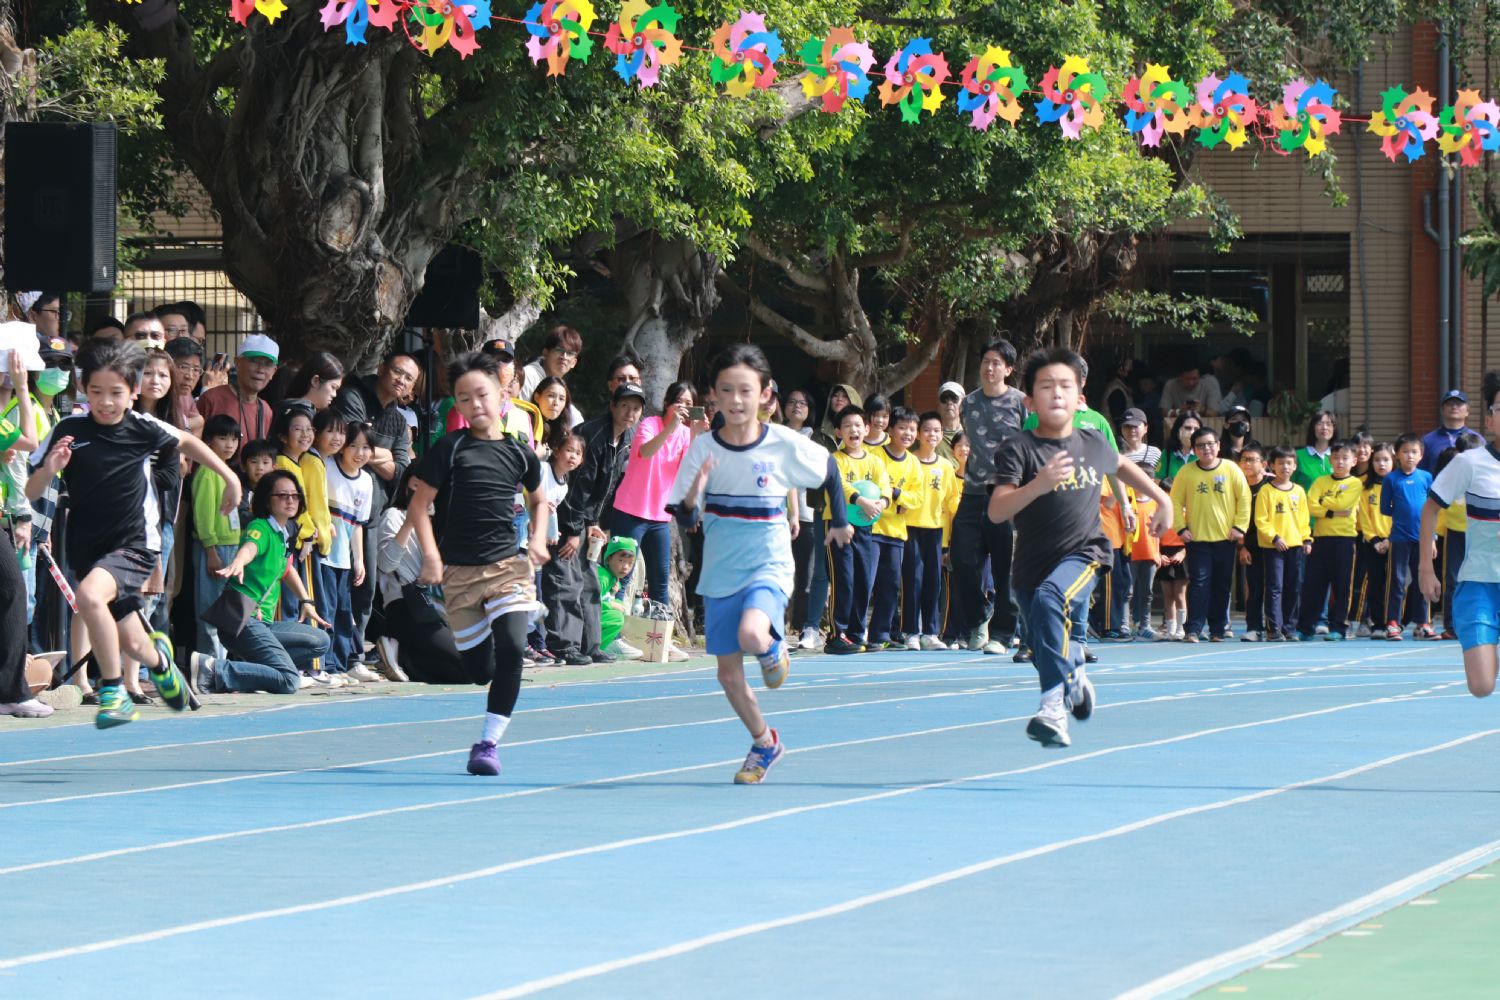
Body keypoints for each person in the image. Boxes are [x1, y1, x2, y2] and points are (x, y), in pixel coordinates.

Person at [25, 340, 239, 727]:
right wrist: (50, 468)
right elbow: (31, 491)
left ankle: (114, 693)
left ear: (133, 392)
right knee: (134, 641)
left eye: (116, 393)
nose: (105, 402)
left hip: (135, 544)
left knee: (90, 597)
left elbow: (188, 441)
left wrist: (230, 478)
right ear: (83, 389)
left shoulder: (143, 427)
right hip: (88, 548)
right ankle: (161, 664)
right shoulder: (69, 429)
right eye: (96, 392)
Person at [667, 343, 853, 783]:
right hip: (720, 572)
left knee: (752, 632)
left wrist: (840, 521)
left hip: (768, 564)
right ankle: (764, 742)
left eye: (745, 390)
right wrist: (692, 497)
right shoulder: (702, 450)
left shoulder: (782, 444)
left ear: (765, 395)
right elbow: (686, 518)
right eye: (726, 390)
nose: (735, 400)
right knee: (728, 676)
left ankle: (772, 648)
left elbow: (829, 469)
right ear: (713, 395)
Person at [989, 346, 1171, 748]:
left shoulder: (1092, 441)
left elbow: (1121, 466)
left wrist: (1162, 499)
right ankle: (1073, 672)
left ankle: (1052, 710)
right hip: (1030, 563)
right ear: (1029, 401)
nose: (1056, 393)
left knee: (1052, 598)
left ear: (1080, 397)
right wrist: (1039, 485)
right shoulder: (1017, 448)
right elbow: (997, 510)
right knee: (1043, 643)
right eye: (1046, 386)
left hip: (1084, 553)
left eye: (1065, 386)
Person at [408, 351, 551, 777]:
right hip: (459, 576)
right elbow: (419, 507)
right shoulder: (450, 449)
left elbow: (539, 500)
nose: (475, 404)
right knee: (478, 671)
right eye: (464, 398)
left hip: (508, 567)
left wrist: (537, 538)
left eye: (482, 394)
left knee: (512, 650)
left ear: (503, 394)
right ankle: (490, 627)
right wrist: (431, 556)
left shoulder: (520, 452)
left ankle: (488, 744)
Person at [192, 471, 333, 695]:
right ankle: (213, 669)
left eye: (295, 495)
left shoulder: (285, 532)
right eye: (282, 495)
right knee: (289, 681)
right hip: (243, 620)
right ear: (267, 500)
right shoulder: (261, 527)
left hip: (263, 623)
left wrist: (306, 601)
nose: (290, 500)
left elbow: (286, 569)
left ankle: (257, 671)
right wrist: (238, 561)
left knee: (320, 641)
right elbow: (250, 547)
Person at [333, 350, 418, 666]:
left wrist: (369, 452)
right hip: (338, 508)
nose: (401, 380)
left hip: (372, 513)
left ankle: (354, 654)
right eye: (398, 372)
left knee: (365, 587)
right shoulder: (353, 395)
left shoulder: (398, 419)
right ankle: (331, 655)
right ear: (382, 368)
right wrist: (383, 454)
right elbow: (348, 445)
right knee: (336, 584)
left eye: (409, 378)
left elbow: (401, 469)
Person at [550, 381, 645, 663]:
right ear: (612, 406)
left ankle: (590, 645)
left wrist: (593, 523)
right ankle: (564, 646)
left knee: (590, 583)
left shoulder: (626, 437)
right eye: (624, 405)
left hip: (586, 520)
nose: (630, 412)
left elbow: (605, 487)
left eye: (636, 408)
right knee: (566, 581)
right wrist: (572, 531)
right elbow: (577, 487)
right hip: (565, 517)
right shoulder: (593, 434)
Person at [1420, 371, 1500, 696]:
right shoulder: (1469, 463)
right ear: (1489, 419)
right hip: (1479, 583)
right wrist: (1426, 568)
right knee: (1481, 685)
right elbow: (1430, 509)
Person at [950, 339, 1026, 654]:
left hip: (1008, 494)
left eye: (996, 363)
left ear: (1008, 369)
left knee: (1006, 567)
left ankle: (1003, 634)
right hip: (972, 493)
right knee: (961, 560)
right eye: (986, 362)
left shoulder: (1022, 402)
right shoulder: (967, 403)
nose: (989, 368)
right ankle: (980, 617)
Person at [610, 380, 707, 605]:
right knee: (621, 577)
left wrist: (694, 434)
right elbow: (646, 452)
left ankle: (658, 627)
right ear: (666, 403)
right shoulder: (650, 424)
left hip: (659, 518)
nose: (683, 407)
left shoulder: (686, 434)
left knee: (660, 582)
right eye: (678, 401)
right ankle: (610, 625)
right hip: (629, 512)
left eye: (688, 403)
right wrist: (671, 426)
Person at [1171, 426, 1251, 643]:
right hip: (1197, 539)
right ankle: (1193, 629)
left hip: (1226, 538)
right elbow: (1175, 501)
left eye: (1210, 444)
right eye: (1200, 445)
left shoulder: (1231, 469)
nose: (1206, 448)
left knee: (1221, 585)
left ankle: (1217, 629)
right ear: (1194, 449)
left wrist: (1240, 527)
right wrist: (1180, 528)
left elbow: (1244, 498)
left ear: (1218, 446)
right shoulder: (1186, 472)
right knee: (1199, 583)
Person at [825, 405, 889, 655]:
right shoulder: (834, 459)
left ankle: (855, 633)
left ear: (867, 429)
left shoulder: (875, 461)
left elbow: (884, 487)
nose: (853, 430)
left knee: (863, 579)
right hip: (839, 524)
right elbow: (839, 485)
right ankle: (836, 634)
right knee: (844, 579)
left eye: (858, 425)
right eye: (847, 425)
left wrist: (881, 503)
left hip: (865, 526)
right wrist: (860, 500)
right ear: (838, 432)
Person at [1296, 439, 1363, 641]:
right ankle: (1305, 628)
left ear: (1354, 461)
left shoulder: (1355, 483)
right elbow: (1310, 505)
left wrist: (1323, 502)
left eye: (1345, 458)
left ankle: (1339, 627)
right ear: (1330, 460)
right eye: (1336, 457)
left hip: (1344, 540)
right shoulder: (1320, 482)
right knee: (1313, 585)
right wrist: (1331, 511)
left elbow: (1344, 504)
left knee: (1342, 585)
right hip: (1321, 539)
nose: (1340, 462)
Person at [782, 388, 832, 649]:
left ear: (810, 409)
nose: (796, 406)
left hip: (808, 513)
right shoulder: (774, 434)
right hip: (777, 515)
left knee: (806, 575)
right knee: (778, 573)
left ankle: (802, 627)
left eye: (802, 403)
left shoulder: (816, 439)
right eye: (791, 402)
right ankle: (776, 625)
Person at [324, 422, 375, 678]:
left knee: (344, 610)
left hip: (343, 558)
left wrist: (359, 560)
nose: (359, 453)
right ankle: (327, 664)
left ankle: (344, 662)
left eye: (366, 447)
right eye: (353, 445)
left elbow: (357, 525)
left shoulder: (366, 481)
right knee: (326, 610)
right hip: (322, 555)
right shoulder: (327, 466)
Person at [904, 411, 959, 650]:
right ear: (918, 434)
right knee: (913, 580)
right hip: (910, 527)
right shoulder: (909, 460)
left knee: (933, 582)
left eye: (936, 431)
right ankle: (910, 632)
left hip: (936, 530)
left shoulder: (946, 466)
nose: (932, 435)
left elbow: (952, 501)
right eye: (926, 430)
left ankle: (930, 632)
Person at [869, 407, 921, 649]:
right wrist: (896, 499)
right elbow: (870, 487)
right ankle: (853, 633)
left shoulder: (913, 462)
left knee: (890, 586)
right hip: (871, 529)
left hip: (896, 533)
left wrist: (897, 494)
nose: (907, 433)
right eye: (902, 428)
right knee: (866, 583)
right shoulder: (874, 456)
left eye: (912, 429)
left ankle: (880, 634)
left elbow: (917, 499)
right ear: (890, 430)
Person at [193, 414, 244, 661]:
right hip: (214, 548)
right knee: (210, 609)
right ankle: (208, 664)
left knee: (223, 612)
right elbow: (202, 514)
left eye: (234, 439)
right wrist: (210, 549)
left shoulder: (227, 472)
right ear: (208, 441)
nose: (229, 444)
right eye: (223, 438)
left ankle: (221, 664)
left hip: (231, 546)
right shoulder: (207, 472)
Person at [1381, 433, 1435, 640]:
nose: (1409, 456)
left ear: (1421, 455)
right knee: (1397, 581)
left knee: (1423, 580)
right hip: (1399, 539)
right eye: (1405, 451)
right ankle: (1393, 623)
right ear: (1397, 454)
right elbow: (1385, 508)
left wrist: (1433, 538)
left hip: (1423, 539)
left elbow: (1432, 510)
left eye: (1414, 452)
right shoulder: (1391, 479)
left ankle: (1423, 623)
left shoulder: (1426, 477)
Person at [1255, 446, 1310, 642]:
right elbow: (1261, 519)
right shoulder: (1266, 491)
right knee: (1275, 587)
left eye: (1289, 463)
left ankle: (1289, 628)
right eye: (1280, 463)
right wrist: (1275, 537)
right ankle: (1274, 628)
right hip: (1274, 547)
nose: (1285, 467)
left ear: (1294, 466)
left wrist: (1306, 539)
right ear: (1272, 466)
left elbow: (1304, 519)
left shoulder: (1299, 491)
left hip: (1295, 546)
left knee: (1294, 588)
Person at [197, 334, 278, 457]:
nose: (260, 370)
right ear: (238, 363)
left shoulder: (266, 410)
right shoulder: (211, 399)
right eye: (254, 361)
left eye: (267, 364)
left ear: (273, 372)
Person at [1433, 438, 1480, 639]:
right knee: (1452, 579)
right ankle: (1451, 626)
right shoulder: (1450, 477)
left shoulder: (1484, 477)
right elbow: (1434, 508)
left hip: (1480, 534)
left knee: (1483, 579)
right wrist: (1434, 535)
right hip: (1454, 534)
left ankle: (1483, 622)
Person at [1357, 442, 1395, 639]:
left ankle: (1394, 622)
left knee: (1395, 584)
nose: (1381, 464)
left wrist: (1390, 539)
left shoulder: (1398, 485)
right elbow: (1364, 518)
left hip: (1396, 541)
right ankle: (1378, 623)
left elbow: (1402, 514)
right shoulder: (1366, 489)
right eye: (1377, 460)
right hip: (1373, 544)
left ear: (1393, 461)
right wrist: (1375, 540)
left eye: (1386, 460)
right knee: (1375, 584)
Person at [1235, 443, 1269, 642]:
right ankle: (1254, 628)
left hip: (1273, 545)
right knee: (1254, 589)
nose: (1247, 464)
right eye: (1243, 460)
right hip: (1250, 546)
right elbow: (1235, 518)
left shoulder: (1271, 486)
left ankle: (1277, 627)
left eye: (1251, 459)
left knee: (1276, 588)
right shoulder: (1237, 487)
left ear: (1263, 464)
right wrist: (1242, 547)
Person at [519, 325, 584, 427]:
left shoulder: (560, 388)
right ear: (546, 353)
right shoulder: (528, 376)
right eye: (560, 350)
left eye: (570, 353)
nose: (564, 357)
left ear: (574, 363)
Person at [598, 537, 643, 660]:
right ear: (608, 559)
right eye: (621, 561)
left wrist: (612, 594)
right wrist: (612, 604)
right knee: (616, 618)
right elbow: (588, 601)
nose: (625, 567)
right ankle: (595, 647)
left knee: (620, 606)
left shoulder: (611, 578)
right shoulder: (603, 578)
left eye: (630, 563)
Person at [1419, 390, 1484, 474]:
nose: (1454, 407)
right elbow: (1421, 473)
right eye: (1449, 404)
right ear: (1442, 410)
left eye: (1459, 404)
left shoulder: (1477, 439)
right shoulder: (1428, 440)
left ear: (1467, 411)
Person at [1155, 411, 1201, 489]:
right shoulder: (1167, 454)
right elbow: (1157, 482)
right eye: (1187, 428)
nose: (1192, 432)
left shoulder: (1204, 454)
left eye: (1196, 429)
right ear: (1178, 430)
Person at [1294, 411, 1337, 490]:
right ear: (1313, 428)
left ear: (1334, 429)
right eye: (1320, 424)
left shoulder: (1339, 456)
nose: (1324, 427)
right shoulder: (1298, 456)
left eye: (1328, 424)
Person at [1118, 408, 1160, 476]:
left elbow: (1159, 478)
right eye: (1127, 426)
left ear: (1145, 428)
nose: (1131, 430)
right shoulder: (1116, 454)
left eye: (1135, 426)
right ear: (1121, 429)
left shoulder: (1155, 453)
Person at [935, 381, 964, 463]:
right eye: (944, 399)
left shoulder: (970, 434)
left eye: (954, 398)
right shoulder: (928, 435)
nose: (949, 403)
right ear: (938, 404)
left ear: (963, 403)